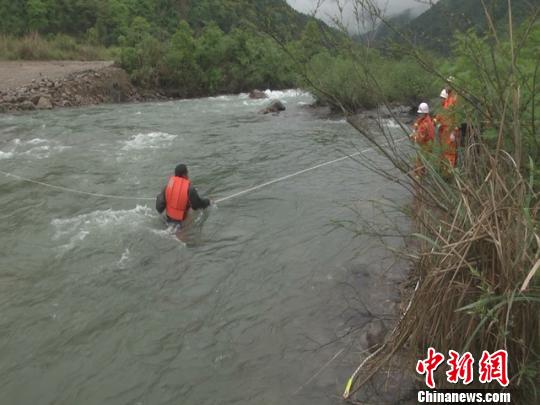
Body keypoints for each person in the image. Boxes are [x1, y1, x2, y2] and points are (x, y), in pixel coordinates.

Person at [410, 102, 435, 177]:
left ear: (424, 113)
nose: (419, 114)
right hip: (426, 145)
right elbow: (417, 123)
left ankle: (419, 178)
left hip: (426, 146)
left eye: (420, 113)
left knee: (420, 163)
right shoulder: (425, 119)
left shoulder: (425, 124)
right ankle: (421, 175)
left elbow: (420, 138)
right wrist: (414, 130)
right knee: (421, 162)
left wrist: (413, 137)